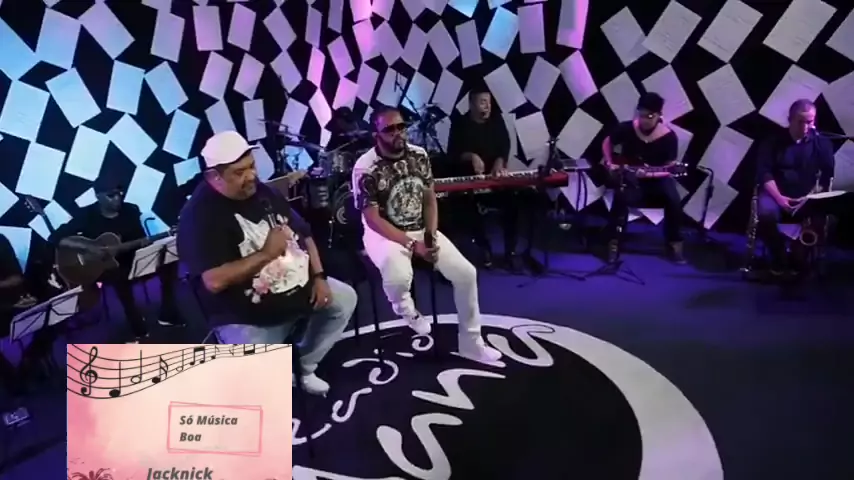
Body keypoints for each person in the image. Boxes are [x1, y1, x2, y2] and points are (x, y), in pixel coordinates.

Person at [177, 131, 358, 396]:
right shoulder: (198, 217)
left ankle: (303, 367)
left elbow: (304, 233)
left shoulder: (263, 191)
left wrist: (319, 277)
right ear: (214, 177)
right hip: (247, 316)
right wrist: (265, 254)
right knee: (256, 389)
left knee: (344, 300)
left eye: (252, 166)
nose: (251, 176)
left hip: (297, 288)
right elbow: (213, 281)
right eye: (239, 172)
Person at [352, 106, 502, 363]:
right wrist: (414, 246)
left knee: (466, 274)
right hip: (384, 233)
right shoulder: (365, 168)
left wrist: (431, 235)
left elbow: (430, 199)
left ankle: (471, 343)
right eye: (390, 129)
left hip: (419, 226)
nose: (398, 133)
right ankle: (405, 308)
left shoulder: (419, 155)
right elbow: (373, 219)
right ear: (376, 135)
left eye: (401, 127)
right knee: (399, 276)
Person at [50, 177, 183, 342]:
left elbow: (139, 240)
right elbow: (55, 238)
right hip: (104, 268)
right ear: (98, 196)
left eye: (120, 194)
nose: (117, 198)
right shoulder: (87, 215)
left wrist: (144, 243)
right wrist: (88, 248)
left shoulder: (131, 210)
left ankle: (168, 312)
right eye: (111, 195)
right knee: (118, 276)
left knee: (168, 262)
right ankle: (134, 320)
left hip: (133, 259)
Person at [601, 92, 685, 264]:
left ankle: (674, 243)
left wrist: (649, 174)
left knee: (673, 199)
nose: (645, 120)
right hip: (631, 178)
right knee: (621, 195)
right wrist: (609, 162)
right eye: (642, 115)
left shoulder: (669, 137)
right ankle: (613, 241)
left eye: (650, 116)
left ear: (659, 115)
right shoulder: (627, 128)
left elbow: (669, 169)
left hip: (658, 178)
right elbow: (607, 142)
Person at [754, 99, 834, 274]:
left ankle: (799, 256)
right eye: (800, 122)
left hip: (807, 196)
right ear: (790, 119)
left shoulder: (822, 144)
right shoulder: (772, 142)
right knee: (765, 214)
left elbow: (826, 176)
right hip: (775, 194)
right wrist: (779, 198)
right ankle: (779, 255)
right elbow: (764, 173)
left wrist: (809, 197)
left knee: (821, 217)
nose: (805, 127)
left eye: (809, 122)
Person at [447, 87, 519, 270]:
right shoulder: (460, 124)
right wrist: (470, 156)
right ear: (471, 104)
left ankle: (510, 252)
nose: (487, 106)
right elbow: (452, 154)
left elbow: (505, 145)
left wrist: (500, 161)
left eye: (489, 102)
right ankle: (483, 247)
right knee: (467, 209)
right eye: (482, 102)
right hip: (469, 183)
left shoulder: (496, 120)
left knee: (514, 201)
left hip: (494, 180)